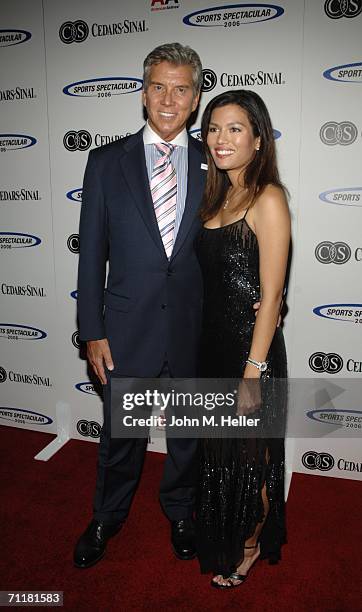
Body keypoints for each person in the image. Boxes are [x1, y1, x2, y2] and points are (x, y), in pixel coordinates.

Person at [73, 43, 206, 568]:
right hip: (127, 330)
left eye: (180, 89)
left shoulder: (213, 160)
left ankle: (181, 510)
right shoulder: (106, 163)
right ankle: (107, 514)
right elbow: (91, 257)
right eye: (158, 86)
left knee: (188, 435)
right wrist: (92, 330)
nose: (168, 99)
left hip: (194, 329)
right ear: (142, 92)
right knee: (121, 437)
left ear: (195, 99)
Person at [194, 90, 290, 588]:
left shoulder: (267, 197)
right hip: (212, 348)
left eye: (235, 128)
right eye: (213, 128)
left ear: (258, 138)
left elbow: (271, 297)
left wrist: (253, 372)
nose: (221, 138)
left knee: (253, 458)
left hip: (251, 357)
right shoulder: (215, 195)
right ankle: (229, 531)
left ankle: (251, 545)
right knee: (219, 456)